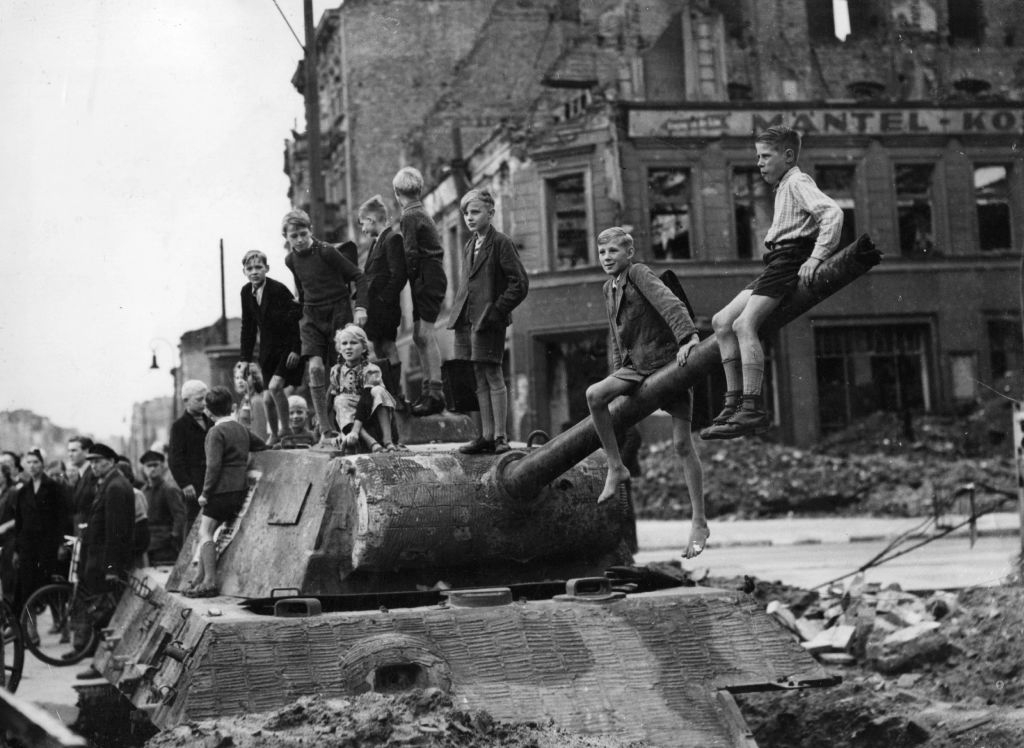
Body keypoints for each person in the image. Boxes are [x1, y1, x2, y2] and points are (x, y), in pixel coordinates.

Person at [700, 125, 843, 440]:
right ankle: (733, 402)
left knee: (743, 325)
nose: (759, 163)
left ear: (788, 156)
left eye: (766, 156)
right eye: (758, 157)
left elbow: (832, 213)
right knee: (721, 321)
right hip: (775, 262)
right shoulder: (783, 186)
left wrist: (816, 257)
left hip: (790, 260)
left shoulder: (797, 181)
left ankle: (751, 406)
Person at [585, 227, 709, 558]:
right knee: (595, 396)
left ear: (629, 254)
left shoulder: (639, 273)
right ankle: (616, 466)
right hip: (635, 367)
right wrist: (616, 374)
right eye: (602, 253)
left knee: (682, 444)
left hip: (667, 361)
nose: (607, 258)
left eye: (613, 251)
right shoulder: (608, 288)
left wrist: (688, 339)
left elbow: (671, 304)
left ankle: (699, 521)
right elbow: (616, 335)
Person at [449, 189, 529, 455]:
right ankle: (485, 435)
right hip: (468, 319)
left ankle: (500, 437)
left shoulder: (501, 243)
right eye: (466, 213)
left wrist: (496, 312)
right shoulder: (470, 245)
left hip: (488, 320)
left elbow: (519, 284)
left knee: (493, 373)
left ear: (490, 213)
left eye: (475, 212)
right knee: (478, 376)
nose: (469, 218)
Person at [282, 209, 363, 443]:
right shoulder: (290, 260)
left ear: (311, 231)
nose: (299, 240)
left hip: (338, 310)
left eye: (303, 234)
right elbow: (302, 292)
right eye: (293, 236)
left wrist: (360, 308)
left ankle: (336, 420)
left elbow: (358, 276)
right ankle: (326, 430)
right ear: (286, 238)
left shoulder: (326, 251)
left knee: (338, 371)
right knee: (315, 369)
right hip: (311, 315)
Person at [184, 386, 268, 598]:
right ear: (232, 407)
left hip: (220, 492)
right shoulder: (240, 429)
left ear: (208, 412)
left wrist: (205, 493)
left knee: (205, 533)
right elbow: (261, 445)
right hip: (238, 491)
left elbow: (213, 467)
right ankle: (199, 579)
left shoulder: (215, 432)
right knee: (209, 533)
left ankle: (209, 581)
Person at [68, 442, 135, 677]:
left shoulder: (115, 486)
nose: (94, 466)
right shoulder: (110, 483)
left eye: (98, 462)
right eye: (92, 462)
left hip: (104, 565)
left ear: (112, 462)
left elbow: (116, 532)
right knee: (102, 615)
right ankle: (102, 665)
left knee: (104, 617)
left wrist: (111, 568)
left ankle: (102, 667)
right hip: (99, 563)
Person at [393, 167, 447, 416]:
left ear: (397, 193)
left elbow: (411, 254)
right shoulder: (419, 211)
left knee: (425, 334)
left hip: (426, 277)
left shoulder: (409, 216)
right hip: (428, 277)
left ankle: (435, 393)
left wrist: (397, 280)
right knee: (418, 335)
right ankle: (429, 390)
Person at [238, 249, 303, 444]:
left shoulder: (278, 289)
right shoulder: (245, 292)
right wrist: (245, 359)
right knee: (267, 399)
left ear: (267, 268)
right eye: (249, 268)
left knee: (275, 388)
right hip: (267, 352)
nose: (254, 272)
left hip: (285, 348)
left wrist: (295, 349)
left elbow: (295, 320)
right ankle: (273, 435)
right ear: (244, 271)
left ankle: (286, 432)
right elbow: (248, 327)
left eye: (258, 267)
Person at [353, 194, 408, 407]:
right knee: (379, 347)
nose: (363, 229)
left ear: (372, 220)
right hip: (376, 308)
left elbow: (398, 275)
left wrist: (384, 300)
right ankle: (388, 393)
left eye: (363, 223)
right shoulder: (377, 243)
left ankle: (397, 394)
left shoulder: (392, 239)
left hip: (385, 308)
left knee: (388, 346)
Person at [12, 450, 67, 628]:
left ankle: (61, 623)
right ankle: (31, 631)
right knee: (27, 588)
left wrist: (60, 544)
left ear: (42, 464)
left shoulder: (53, 487)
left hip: (48, 545)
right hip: (28, 546)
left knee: (50, 586)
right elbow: (19, 523)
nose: (32, 466)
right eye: (29, 462)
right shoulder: (23, 491)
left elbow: (61, 518)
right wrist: (16, 550)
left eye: (36, 462)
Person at [328, 324, 399, 453]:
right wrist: (325, 428)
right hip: (348, 417)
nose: (348, 347)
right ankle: (371, 442)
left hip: (370, 411)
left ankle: (388, 441)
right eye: (344, 343)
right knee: (339, 399)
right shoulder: (336, 371)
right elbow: (331, 400)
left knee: (378, 390)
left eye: (354, 343)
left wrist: (355, 430)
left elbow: (366, 400)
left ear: (364, 347)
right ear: (339, 348)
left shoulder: (371, 370)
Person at [168, 380, 213, 527]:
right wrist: (185, 483)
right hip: (193, 485)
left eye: (205, 399)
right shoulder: (179, 426)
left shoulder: (210, 422)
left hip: (211, 480)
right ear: (186, 401)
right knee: (194, 521)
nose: (204, 403)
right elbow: (175, 459)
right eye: (199, 399)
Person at [139, 450, 187, 566]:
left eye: (155, 465)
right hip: (148, 544)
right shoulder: (143, 491)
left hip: (165, 546)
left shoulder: (169, 489)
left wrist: (174, 537)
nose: (152, 469)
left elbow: (180, 516)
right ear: (143, 469)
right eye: (148, 466)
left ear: (162, 466)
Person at [67, 436, 98, 536]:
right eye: (69, 451)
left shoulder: (93, 475)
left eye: (74, 451)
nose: (70, 455)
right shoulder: (82, 475)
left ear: (87, 452)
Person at [233, 361, 269, 440]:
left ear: (254, 378)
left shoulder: (257, 401)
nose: (240, 381)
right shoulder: (244, 400)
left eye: (244, 377)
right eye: (237, 378)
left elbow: (260, 434)